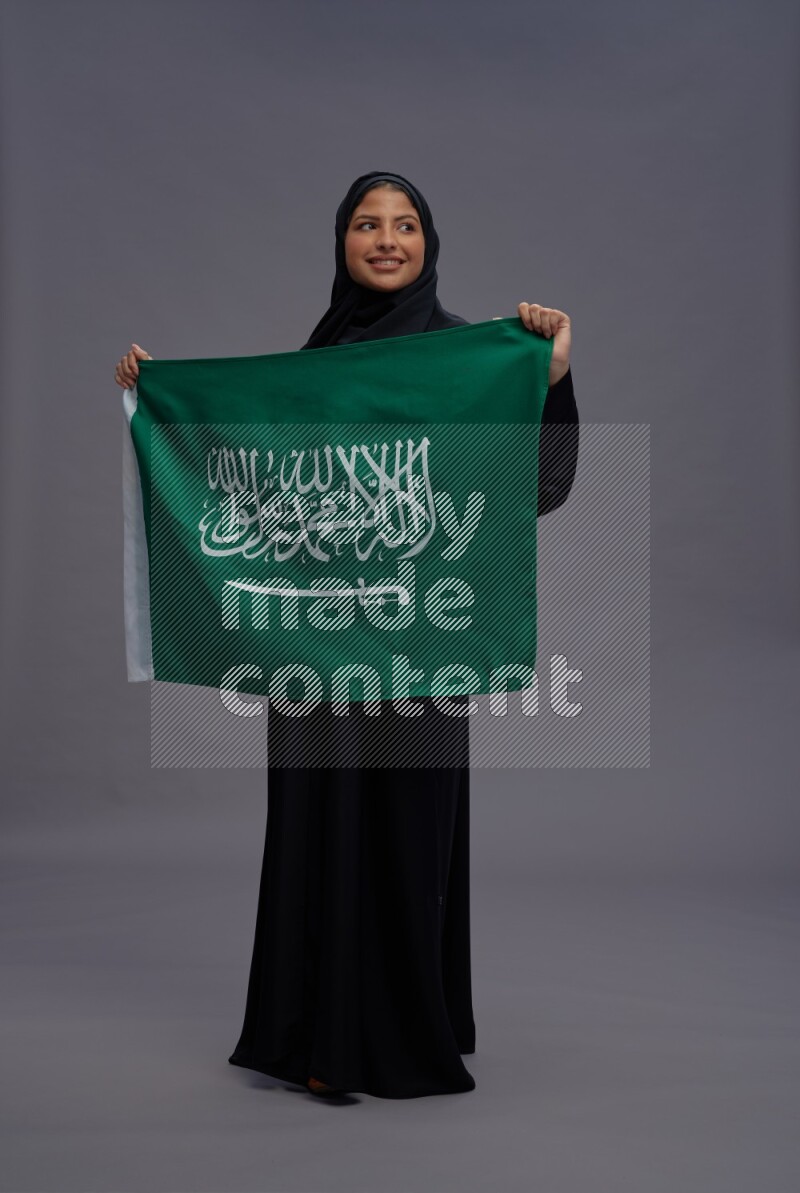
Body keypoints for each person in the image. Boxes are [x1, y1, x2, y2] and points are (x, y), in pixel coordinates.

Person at [114, 170, 579, 1100]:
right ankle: (318, 1032)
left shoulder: (470, 356)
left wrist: (553, 377)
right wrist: (156, 398)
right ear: (341, 242)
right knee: (317, 830)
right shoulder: (317, 360)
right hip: (317, 651)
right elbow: (255, 483)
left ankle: (402, 1033)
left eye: (405, 225)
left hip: (417, 646)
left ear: (428, 243)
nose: (386, 239)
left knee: (407, 832)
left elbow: (540, 487)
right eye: (367, 224)